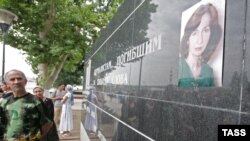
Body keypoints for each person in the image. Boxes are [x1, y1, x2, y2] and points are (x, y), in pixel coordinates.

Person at [0, 69, 52, 140]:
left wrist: (35, 138)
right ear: (7, 84)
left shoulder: (36, 101)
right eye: (12, 79)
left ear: (25, 81)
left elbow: (47, 123)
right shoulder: (4, 102)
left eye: (19, 78)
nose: (16, 82)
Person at [178, 3, 222, 87]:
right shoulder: (179, 66)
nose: (200, 40)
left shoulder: (209, 71)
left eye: (205, 30)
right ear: (188, 38)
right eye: (195, 33)